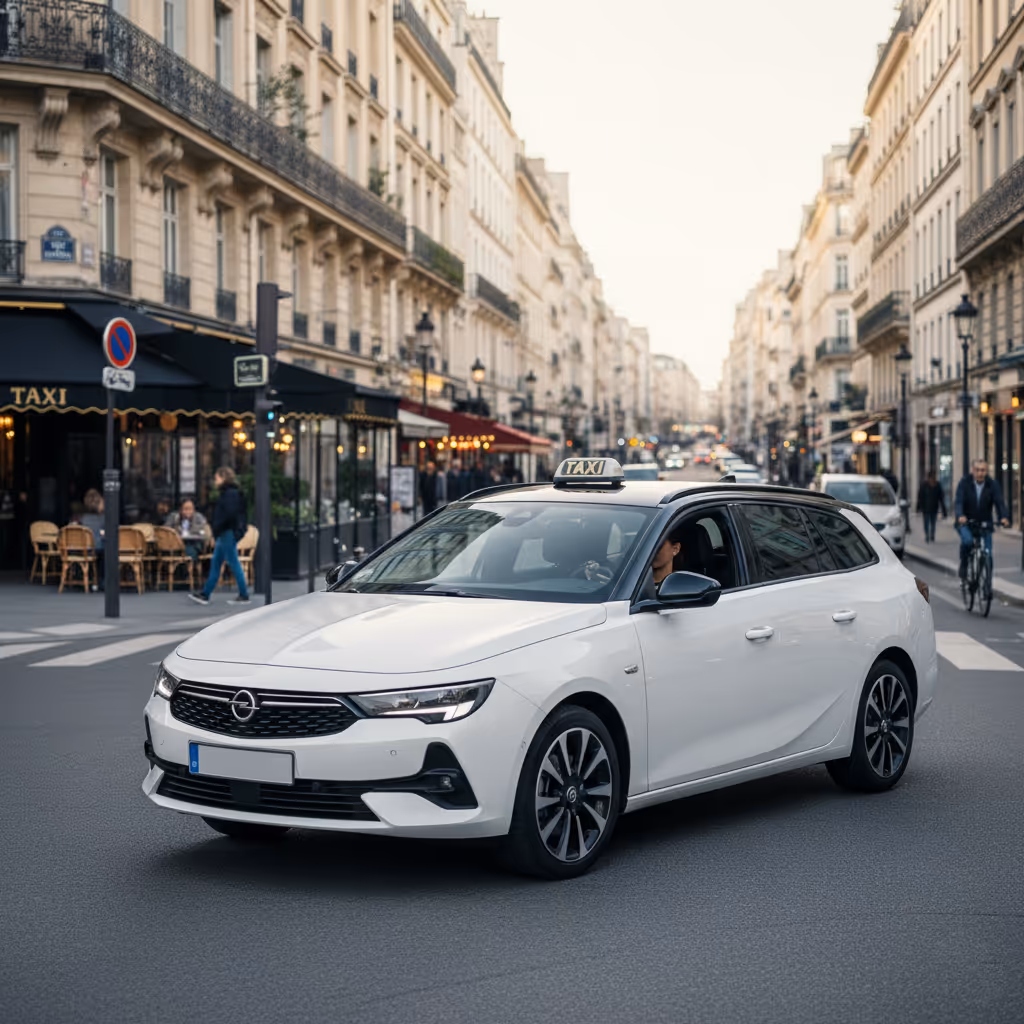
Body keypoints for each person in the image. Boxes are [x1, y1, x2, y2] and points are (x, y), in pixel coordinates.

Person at [189, 466, 249, 605]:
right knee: (217, 562)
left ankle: (244, 594)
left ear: (223, 478)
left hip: (226, 532)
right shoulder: (231, 493)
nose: (215, 482)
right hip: (226, 532)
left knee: (232, 562)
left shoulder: (229, 494)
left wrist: (218, 527)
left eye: (217, 478)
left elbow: (228, 514)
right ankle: (205, 594)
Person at [954, 459, 1009, 581]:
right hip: (967, 522)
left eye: (983, 470)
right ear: (973, 471)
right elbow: (959, 501)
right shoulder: (964, 483)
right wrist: (960, 515)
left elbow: (999, 502)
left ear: (986, 471)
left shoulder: (992, 484)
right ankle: (964, 564)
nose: (980, 473)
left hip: (985, 523)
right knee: (968, 541)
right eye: (977, 470)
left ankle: (987, 585)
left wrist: (1003, 517)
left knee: (988, 554)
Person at [78, 488, 105, 592]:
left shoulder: (82, 518)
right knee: (107, 552)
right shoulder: (103, 518)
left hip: (84, 548)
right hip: (98, 547)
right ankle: (101, 581)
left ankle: (83, 579)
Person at [916, 470, 946, 543]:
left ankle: (932, 535)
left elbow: (941, 498)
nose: (933, 479)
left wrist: (944, 509)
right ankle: (927, 535)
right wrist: (918, 507)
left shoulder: (937, 485)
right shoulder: (924, 485)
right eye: (932, 477)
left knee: (933, 523)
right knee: (926, 523)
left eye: (934, 477)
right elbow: (920, 496)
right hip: (926, 508)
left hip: (934, 508)